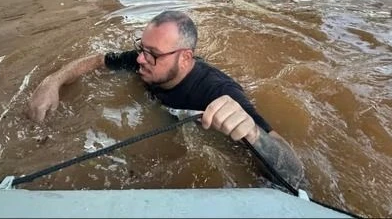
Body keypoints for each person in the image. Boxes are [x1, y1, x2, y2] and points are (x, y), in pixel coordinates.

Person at [28, 10, 306, 190]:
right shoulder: (142, 61)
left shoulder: (218, 91)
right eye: (141, 47)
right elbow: (96, 60)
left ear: (186, 57)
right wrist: (52, 81)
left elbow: (294, 174)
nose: (139, 59)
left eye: (152, 54)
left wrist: (254, 134)